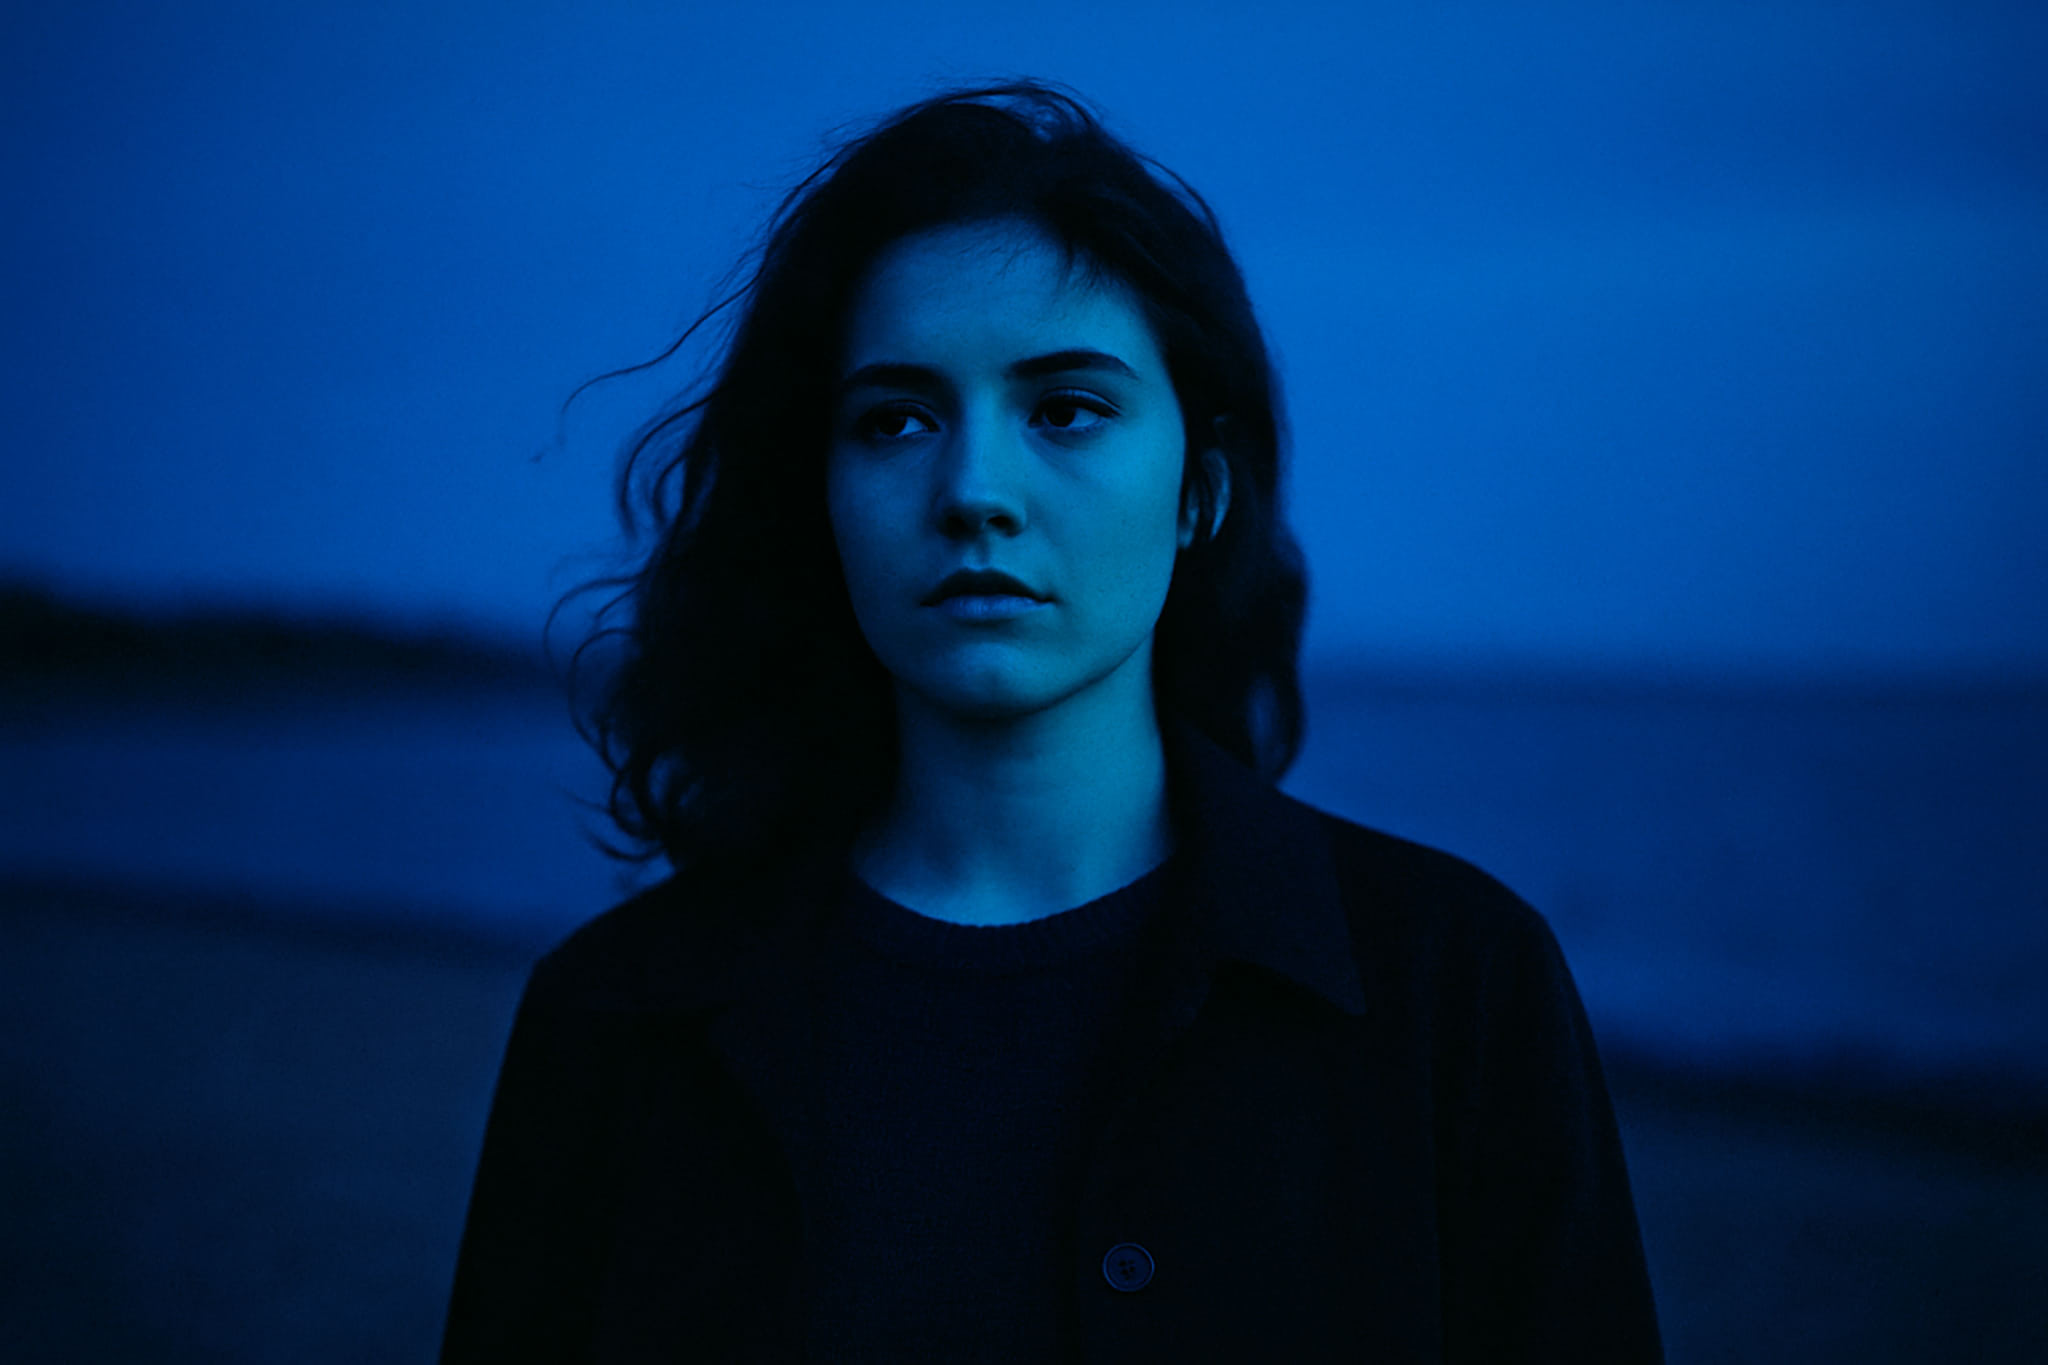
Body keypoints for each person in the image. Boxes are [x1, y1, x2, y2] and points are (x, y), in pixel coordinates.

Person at [440, 79, 1663, 1362]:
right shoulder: (622, 1018)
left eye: (1065, 408)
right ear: (821, 497)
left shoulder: (1453, 986)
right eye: (896, 419)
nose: (974, 490)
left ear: (1197, 488)